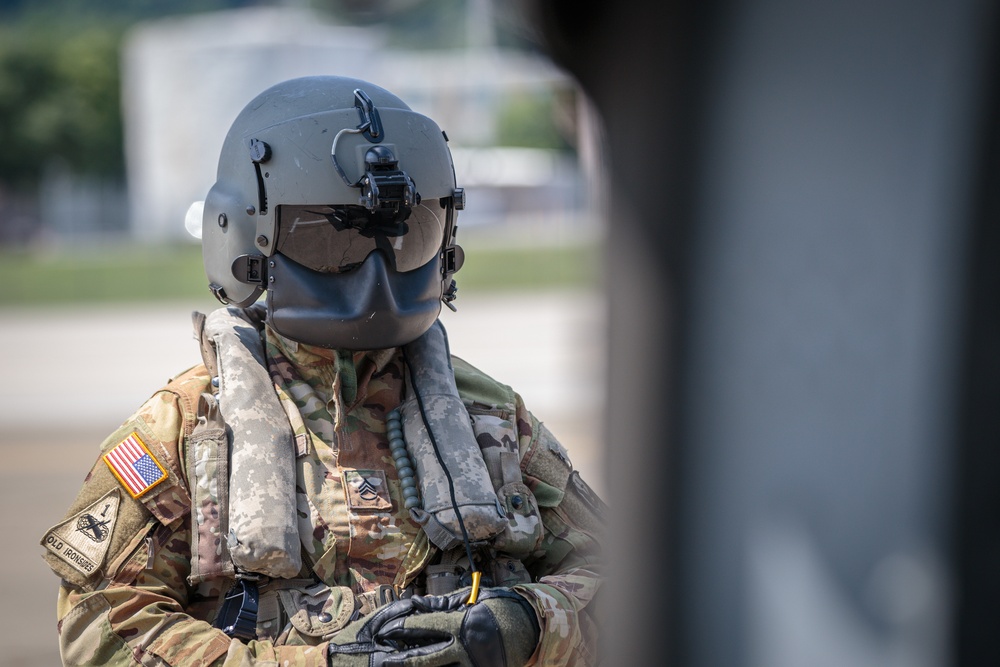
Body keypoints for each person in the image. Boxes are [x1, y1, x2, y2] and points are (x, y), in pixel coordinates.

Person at [40, 76, 604, 666]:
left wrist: (523, 624)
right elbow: (101, 624)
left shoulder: (489, 416)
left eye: (406, 235)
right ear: (244, 239)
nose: (376, 273)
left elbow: (621, 578)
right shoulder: (187, 428)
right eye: (327, 237)